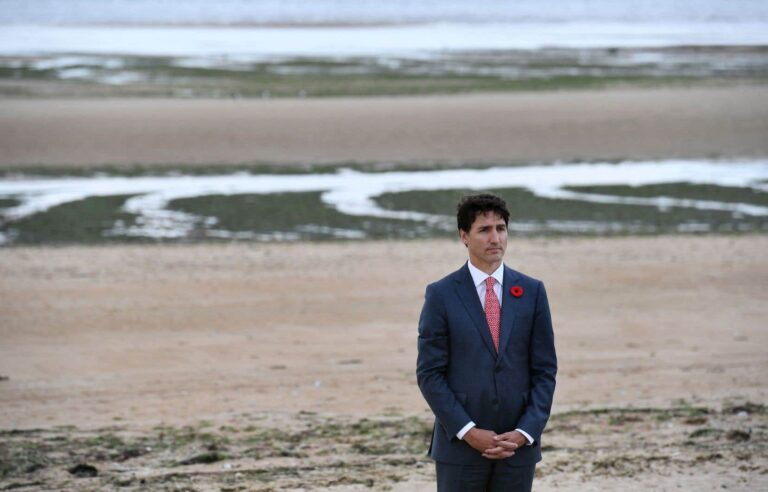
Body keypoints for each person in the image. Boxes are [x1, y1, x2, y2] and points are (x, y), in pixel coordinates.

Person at [416, 193, 557, 492]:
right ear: (464, 236)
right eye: (484, 229)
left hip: (517, 447)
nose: (495, 238)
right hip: (460, 449)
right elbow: (429, 374)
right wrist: (467, 431)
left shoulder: (532, 291)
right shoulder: (441, 294)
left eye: (501, 228)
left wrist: (525, 432)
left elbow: (545, 371)